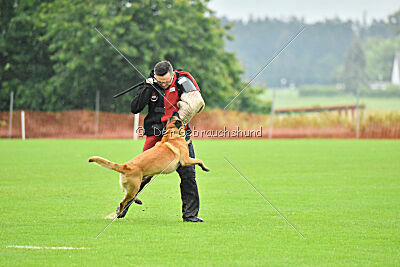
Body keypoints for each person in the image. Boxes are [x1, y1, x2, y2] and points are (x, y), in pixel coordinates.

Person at [120, 60, 205, 222]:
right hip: (155, 132)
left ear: (172, 74)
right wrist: (147, 87)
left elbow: (197, 102)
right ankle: (125, 204)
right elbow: (135, 108)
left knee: (188, 174)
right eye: (160, 82)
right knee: (141, 172)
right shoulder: (150, 84)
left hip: (178, 134)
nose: (164, 85)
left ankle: (190, 215)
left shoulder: (182, 80)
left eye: (166, 81)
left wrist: (180, 118)